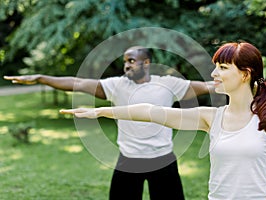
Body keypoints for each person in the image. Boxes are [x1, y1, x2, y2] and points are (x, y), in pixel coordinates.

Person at [60, 42, 266, 200]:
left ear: (245, 73)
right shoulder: (211, 117)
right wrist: (101, 112)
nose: (214, 74)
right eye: (215, 67)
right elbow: (150, 111)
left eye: (223, 67)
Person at [4, 46, 215, 200]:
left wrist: (243, 82)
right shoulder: (116, 86)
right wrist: (42, 78)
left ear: (146, 63)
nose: (126, 65)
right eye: (125, 61)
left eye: (131, 60)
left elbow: (207, 87)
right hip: (128, 160)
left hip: (163, 160)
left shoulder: (168, 84)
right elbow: (77, 83)